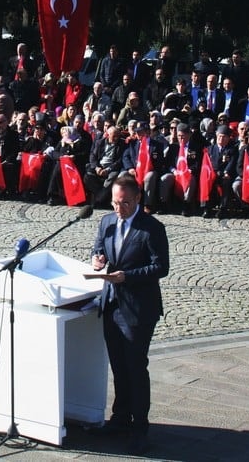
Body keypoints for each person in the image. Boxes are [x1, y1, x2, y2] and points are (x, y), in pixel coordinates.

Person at [90, 174, 169, 455]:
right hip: (111, 305)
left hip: (138, 308)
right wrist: (97, 259)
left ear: (137, 199)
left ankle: (140, 427)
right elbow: (99, 248)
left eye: (123, 203)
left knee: (136, 368)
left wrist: (128, 277)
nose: (118, 208)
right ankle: (120, 418)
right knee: (118, 366)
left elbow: (161, 268)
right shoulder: (107, 222)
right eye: (114, 202)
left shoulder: (152, 228)